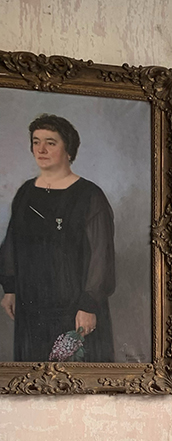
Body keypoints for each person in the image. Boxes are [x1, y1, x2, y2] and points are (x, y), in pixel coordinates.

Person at [0, 109, 116, 361]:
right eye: (36, 142)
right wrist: (10, 288)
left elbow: (102, 255)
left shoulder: (90, 195)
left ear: (68, 150)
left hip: (76, 308)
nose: (41, 149)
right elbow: (11, 243)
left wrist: (88, 304)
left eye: (50, 143)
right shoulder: (25, 192)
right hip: (31, 305)